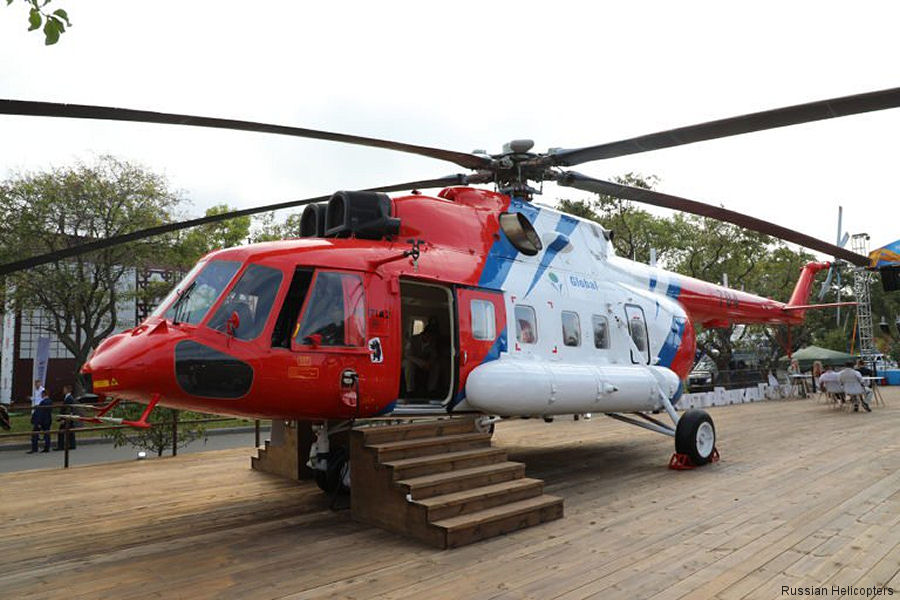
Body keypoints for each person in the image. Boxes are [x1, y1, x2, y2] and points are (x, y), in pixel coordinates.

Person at [403, 318, 440, 396]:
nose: (431, 338)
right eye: (429, 335)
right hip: (412, 360)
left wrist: (429, 363)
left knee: (436, 365)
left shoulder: (432, 342)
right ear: (424, 333)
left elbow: (434, 355)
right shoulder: (412, 340)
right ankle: (410, 391)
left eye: (433, 336)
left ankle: (431, 390)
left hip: (424, 362)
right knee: (409, 365)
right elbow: (407, 355)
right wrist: (420, 362)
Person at [55, 385, 77, 451]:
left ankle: (61, 446)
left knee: (61, 432)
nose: (63, 390)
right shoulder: (68, 397)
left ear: (67, 390)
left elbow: (68, 409)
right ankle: (72, 445)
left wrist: (63, 419)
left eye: (64, 389)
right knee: (70, 432)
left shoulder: (69, 398)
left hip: (67, 418)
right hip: (68, 418)